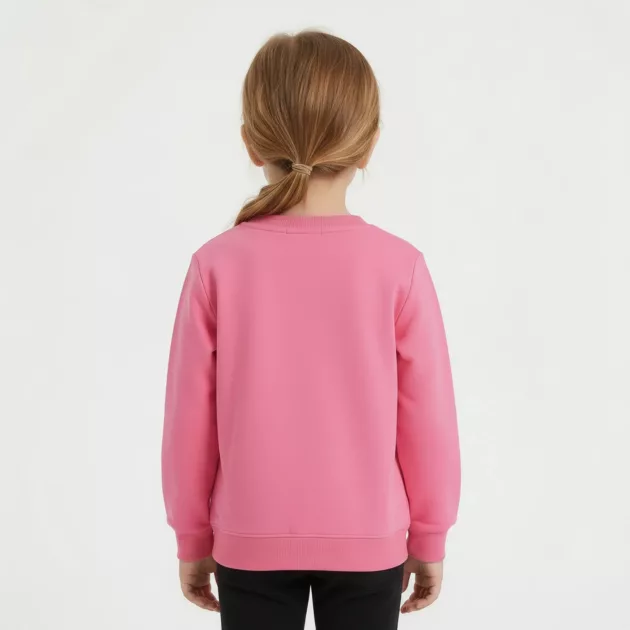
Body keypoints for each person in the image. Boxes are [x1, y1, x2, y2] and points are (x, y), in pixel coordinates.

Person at [161, 30, 460, 630]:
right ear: (367, 146)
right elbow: (428, 418)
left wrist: (192, 536)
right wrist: (429, 535)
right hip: (370, 540)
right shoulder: (398, 268)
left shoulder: (215, 266)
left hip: (248, 538)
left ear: (251, 143)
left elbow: (188, 420)